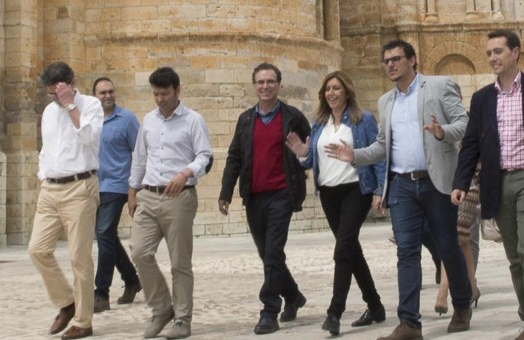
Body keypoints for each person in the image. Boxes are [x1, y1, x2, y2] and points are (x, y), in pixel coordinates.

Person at [325, 39, 472, 340]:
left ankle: (462, 303)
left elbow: (464, 124)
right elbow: (382, 145)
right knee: (406, 252)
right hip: (402, 185)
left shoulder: (439, 86)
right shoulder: (385, 102)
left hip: (436, 182)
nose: (390, 64)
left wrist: (443, 132)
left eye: (396, 58)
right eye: (386, 60)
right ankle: (409, 323)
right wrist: (355, 155)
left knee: (447, 246)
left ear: (412, 60)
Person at [452, 30, 524, 340]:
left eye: (498, 51)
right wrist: (461, 182)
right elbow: (470, 146)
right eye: (489, 52)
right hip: (497, 181)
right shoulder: (482, 98)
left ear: (515, 53)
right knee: (515, 254)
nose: (492, 57)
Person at [285, 71, 386, 336]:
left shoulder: (363, 120)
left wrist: (379, 190)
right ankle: (375, 306)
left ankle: (334, 313)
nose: (331, 93)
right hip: (329, 193)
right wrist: (302, 155)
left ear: (347, 92)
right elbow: (312, 161)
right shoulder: (319, 124)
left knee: (342, 251)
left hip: (356, 189)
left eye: (336, 88)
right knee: (351, 251)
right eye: (327, 89)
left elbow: (377, 154)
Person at [219, 62, 311, 335]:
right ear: (254, 86)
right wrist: (225, 192)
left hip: (282, 194)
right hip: (255, 195)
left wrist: (304, 157)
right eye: (260, 82)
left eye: (270, 81)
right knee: (267, 254)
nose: (265, 86)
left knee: (272, 253)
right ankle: (293, 295)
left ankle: (269, 310)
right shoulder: (246, 120)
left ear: (278, 85)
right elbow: (235, 156)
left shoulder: (293, 117)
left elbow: (309, 150)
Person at [128, 67, 212, 339]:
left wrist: (185, 172)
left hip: (179, 197)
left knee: (179, 262)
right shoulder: (148, 121)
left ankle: (182, 320)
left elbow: (204, 156)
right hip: (148, 195)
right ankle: (162, 307)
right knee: (139, 252)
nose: (160, 99)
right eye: (155, 94)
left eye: (165, 93)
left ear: (178, 90)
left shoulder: (193, 120)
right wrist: (133, 190)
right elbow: (140, 157)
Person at [28, 61, 103, 340]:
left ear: (70, 83)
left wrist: (71, 106)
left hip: (79, 187)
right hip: (50, 188)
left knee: (79, 258)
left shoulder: (91, 105)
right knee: (37, 249)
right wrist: (43, 176)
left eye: (56, 92)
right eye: (51, 94)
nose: (54, 99)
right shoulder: (48, 111)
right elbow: (47, 148)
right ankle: (67, 302)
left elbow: (90, 137)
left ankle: (84, 321)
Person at [91, 77, 142, 313]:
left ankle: (101, 293)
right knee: (107, 235)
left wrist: (135, 188)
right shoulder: (89, 120)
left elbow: (141, 152)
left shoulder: (127, 119)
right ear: (95, 95)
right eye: (103, 92)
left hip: (118, 185)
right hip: (94, 186)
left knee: (103, 234)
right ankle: (132, 279)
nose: (108, 96)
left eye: (111, 91)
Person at [434, 166, 482, 316]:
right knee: (460, 239)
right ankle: (473, 288)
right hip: (442, 180)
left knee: (457, 235)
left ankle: (443, 290)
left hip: (468, 178)